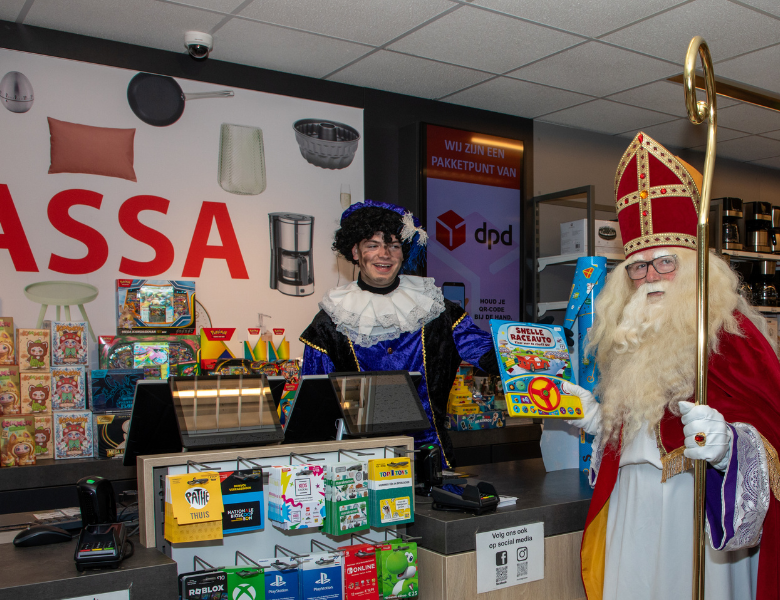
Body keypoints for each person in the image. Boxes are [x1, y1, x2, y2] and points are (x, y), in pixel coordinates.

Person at [565, 132, 780, 600]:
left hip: (698, 508)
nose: (650, 277)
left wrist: (728, 448)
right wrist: (599, 419)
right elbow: (641, 428)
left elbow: (773, 437)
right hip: (633, 502)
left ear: (695, 263)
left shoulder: (731, 332)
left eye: (664, 261)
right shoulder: (631, 332)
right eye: (637, 268)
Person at [300, 200, 498, 467]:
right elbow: (315, 403)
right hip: (359, 465)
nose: (385, 254)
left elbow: (485, 353)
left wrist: (534, 346)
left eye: (394, 245)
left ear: (403, 253)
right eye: (373, 245)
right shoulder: (331, 321)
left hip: (431, 459)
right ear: (356, 252)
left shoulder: (435, 308)